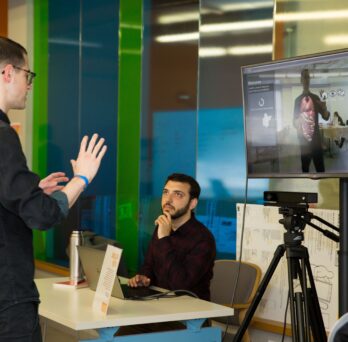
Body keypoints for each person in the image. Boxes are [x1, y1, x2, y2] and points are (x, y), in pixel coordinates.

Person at [0, 36, 107, 341]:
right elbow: (41, 217)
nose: (29, 84)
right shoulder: (3, 137)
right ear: (8, 73)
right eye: (27, 75)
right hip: (8, 299)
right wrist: (81, 179)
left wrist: (31, 191)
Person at [129, 173, 216, 300]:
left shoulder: (203, 239)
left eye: (178, 194)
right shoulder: (162, 227)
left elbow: (180, 286)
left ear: (192, 203)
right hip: (160, 302)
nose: (168, 199)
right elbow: (149, 265)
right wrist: (144, 277)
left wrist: (164, 239)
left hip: (189, 311)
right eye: (165, 192)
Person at [293, 69, 330, 172]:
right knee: (305, 170)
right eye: (304, 77)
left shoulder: (315, 98)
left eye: (308, 77)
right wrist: (298, 123)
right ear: (301, 80)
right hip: (303, 143)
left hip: (316, 142)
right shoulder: (297, 101)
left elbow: (326, 116)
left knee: (321, 170)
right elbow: (294, 121)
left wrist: (324, 108)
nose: (307, 79)